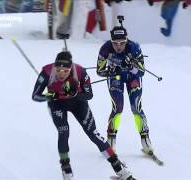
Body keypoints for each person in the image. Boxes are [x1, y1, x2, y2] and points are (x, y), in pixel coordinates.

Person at [32, 51, 135, 180]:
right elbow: (35, 96)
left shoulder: (80, 72)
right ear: (54, 67)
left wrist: (75, 94)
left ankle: (119, 168)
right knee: (63, 132)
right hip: (57, 104)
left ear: (71, 68)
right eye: (58, 70)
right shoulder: (47, 72)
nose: (61, 74)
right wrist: (52, 95)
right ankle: (67, 171)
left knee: (93, 134)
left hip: (77, 103)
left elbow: (89, 94)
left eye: (65, 71)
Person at [96, 21, 154, 155]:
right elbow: (99, 70)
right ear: (111, 41)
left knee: (136, 107)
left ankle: (145, 139)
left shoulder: (134, 47)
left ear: (126, 40)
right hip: (116, 78)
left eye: (122, 42)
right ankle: (111, 141)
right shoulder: (105, 48)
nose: (118, 46)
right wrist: (110, 71)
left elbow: (142, 72)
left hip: (132, 77)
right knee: (118, 108)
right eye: (115, 43)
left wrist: (131, 66)